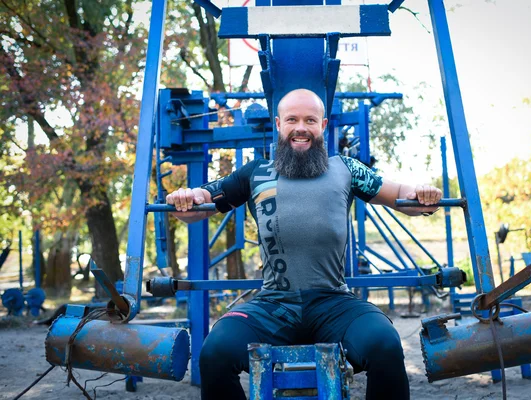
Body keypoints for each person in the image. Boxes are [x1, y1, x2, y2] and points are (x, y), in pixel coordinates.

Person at [166, 89, 442, 400]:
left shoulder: (346, 169)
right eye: (292, 119)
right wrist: (186, 198)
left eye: (310, 120)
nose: (301, 127)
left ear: (323, 125)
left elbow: (400, 194)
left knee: (386, 345)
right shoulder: (255, 173)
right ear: (278, 124)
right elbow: (201, 202)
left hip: (334, 303)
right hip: (273, 305)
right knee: (214, 352)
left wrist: (422, 194)